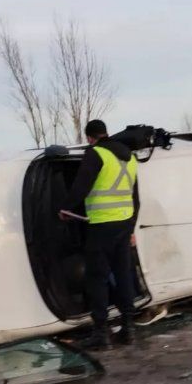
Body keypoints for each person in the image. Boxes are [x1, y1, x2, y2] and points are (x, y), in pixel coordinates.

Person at [59, 119, 139, 349]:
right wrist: (132, 226)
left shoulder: (96, 154)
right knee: (123, 274)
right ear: (106, 133)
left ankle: (101, 334)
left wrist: (65, 208)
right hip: (124, 223)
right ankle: (128, 329)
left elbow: (80, 186)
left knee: (97, 278)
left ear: (89, 138)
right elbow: (135, 197)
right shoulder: (130, 158)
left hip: (102, 225)